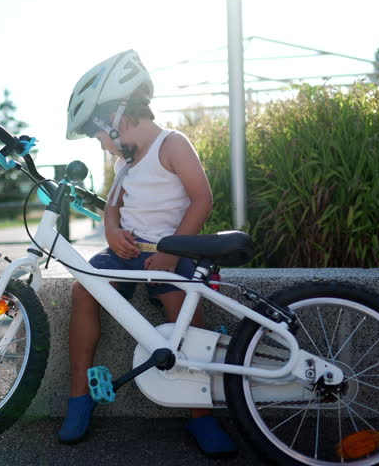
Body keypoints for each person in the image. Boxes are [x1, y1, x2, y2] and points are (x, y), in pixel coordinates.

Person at [57, 50, 237, 458]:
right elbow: (112, 207)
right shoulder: (127, 162)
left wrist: (173, 255)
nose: (103, 147)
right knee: (83, 292)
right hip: (126, 253)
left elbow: (201, 199)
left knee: (187, 314)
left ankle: (201, 416)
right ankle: (78, 398)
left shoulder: (171, 144)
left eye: (99, 136)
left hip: (170, 252)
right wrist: (112, 231)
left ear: (117, 119)